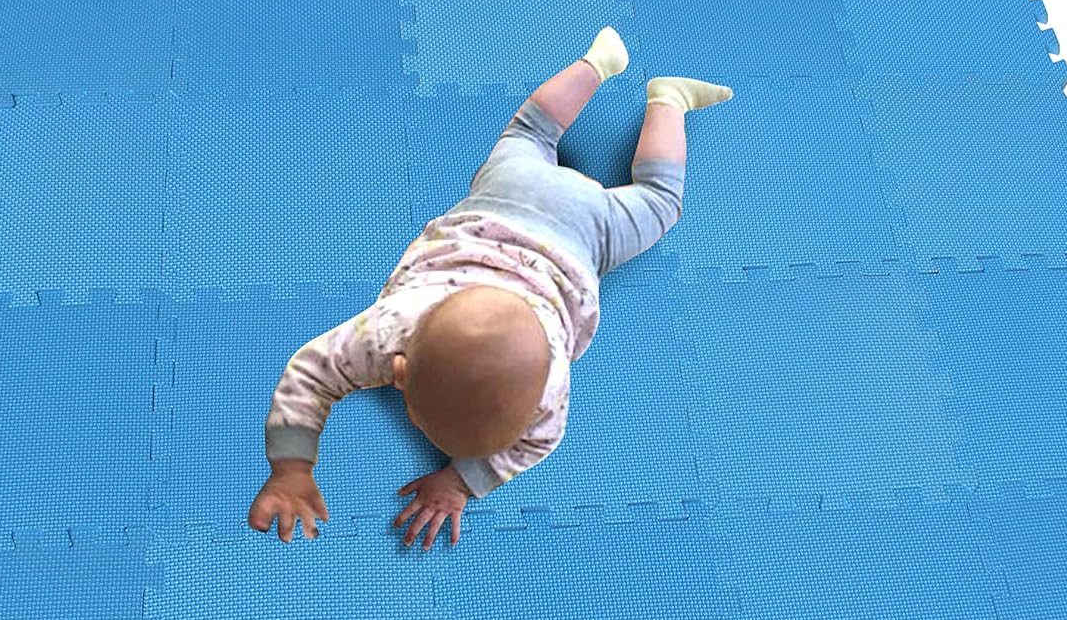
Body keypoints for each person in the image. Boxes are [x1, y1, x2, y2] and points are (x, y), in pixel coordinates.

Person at [248, 27, 732, 549]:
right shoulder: (394, 331)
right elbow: (310, 372)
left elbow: (312, 372)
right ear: (398, 370)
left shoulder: (540, 393)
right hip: (521, 205)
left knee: (538, 138)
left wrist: (456, 483)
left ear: (399, 372)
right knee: (588, 162)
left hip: (570, 225)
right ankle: (657, 95)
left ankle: (621, 74)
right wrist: (291, 468)